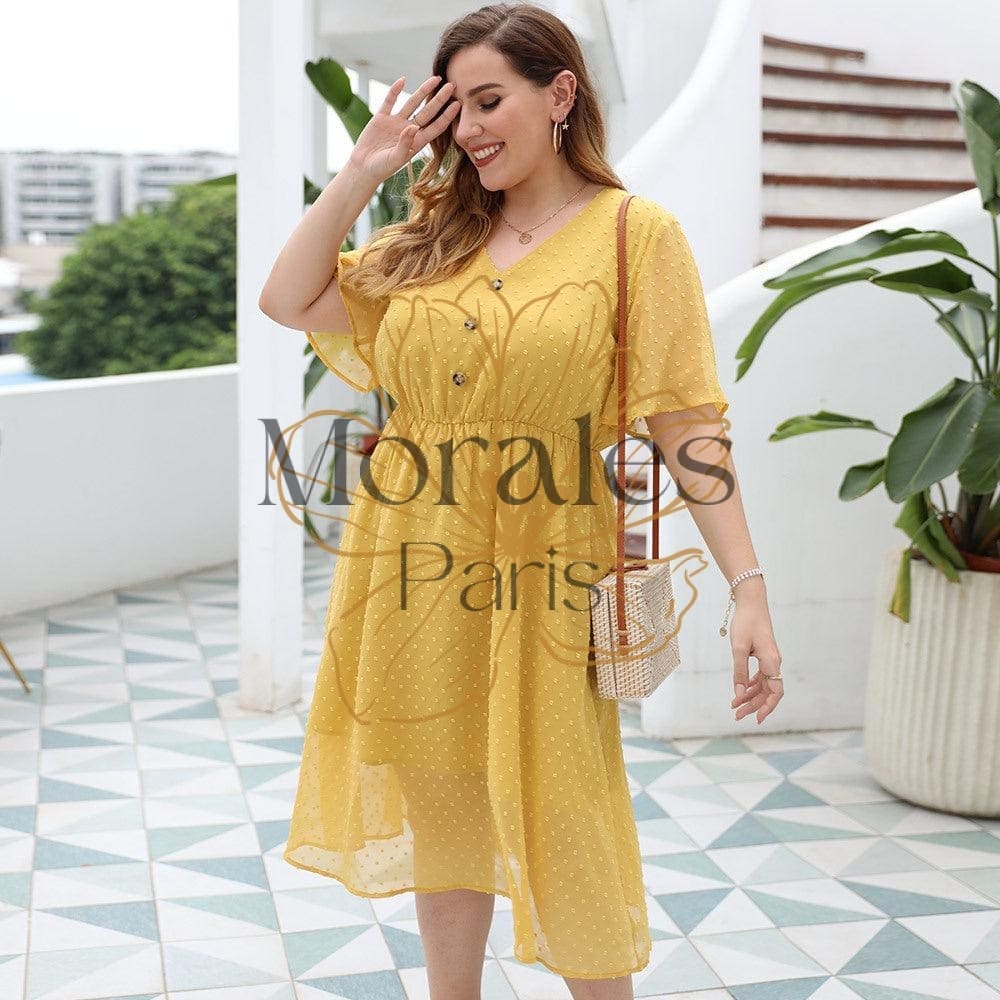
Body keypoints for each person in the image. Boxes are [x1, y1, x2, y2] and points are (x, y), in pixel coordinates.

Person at [258, 4, 783, 998]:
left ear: (560, 94)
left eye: (490, 100)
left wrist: (746, 584)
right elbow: (288, 299)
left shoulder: (635, 236)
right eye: (455, 109)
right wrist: (364, 169)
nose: (469, 129)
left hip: (548, 568)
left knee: (565, 813)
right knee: (444, 814)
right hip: (410, 565)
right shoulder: (430, 240)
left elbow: (686, 423)